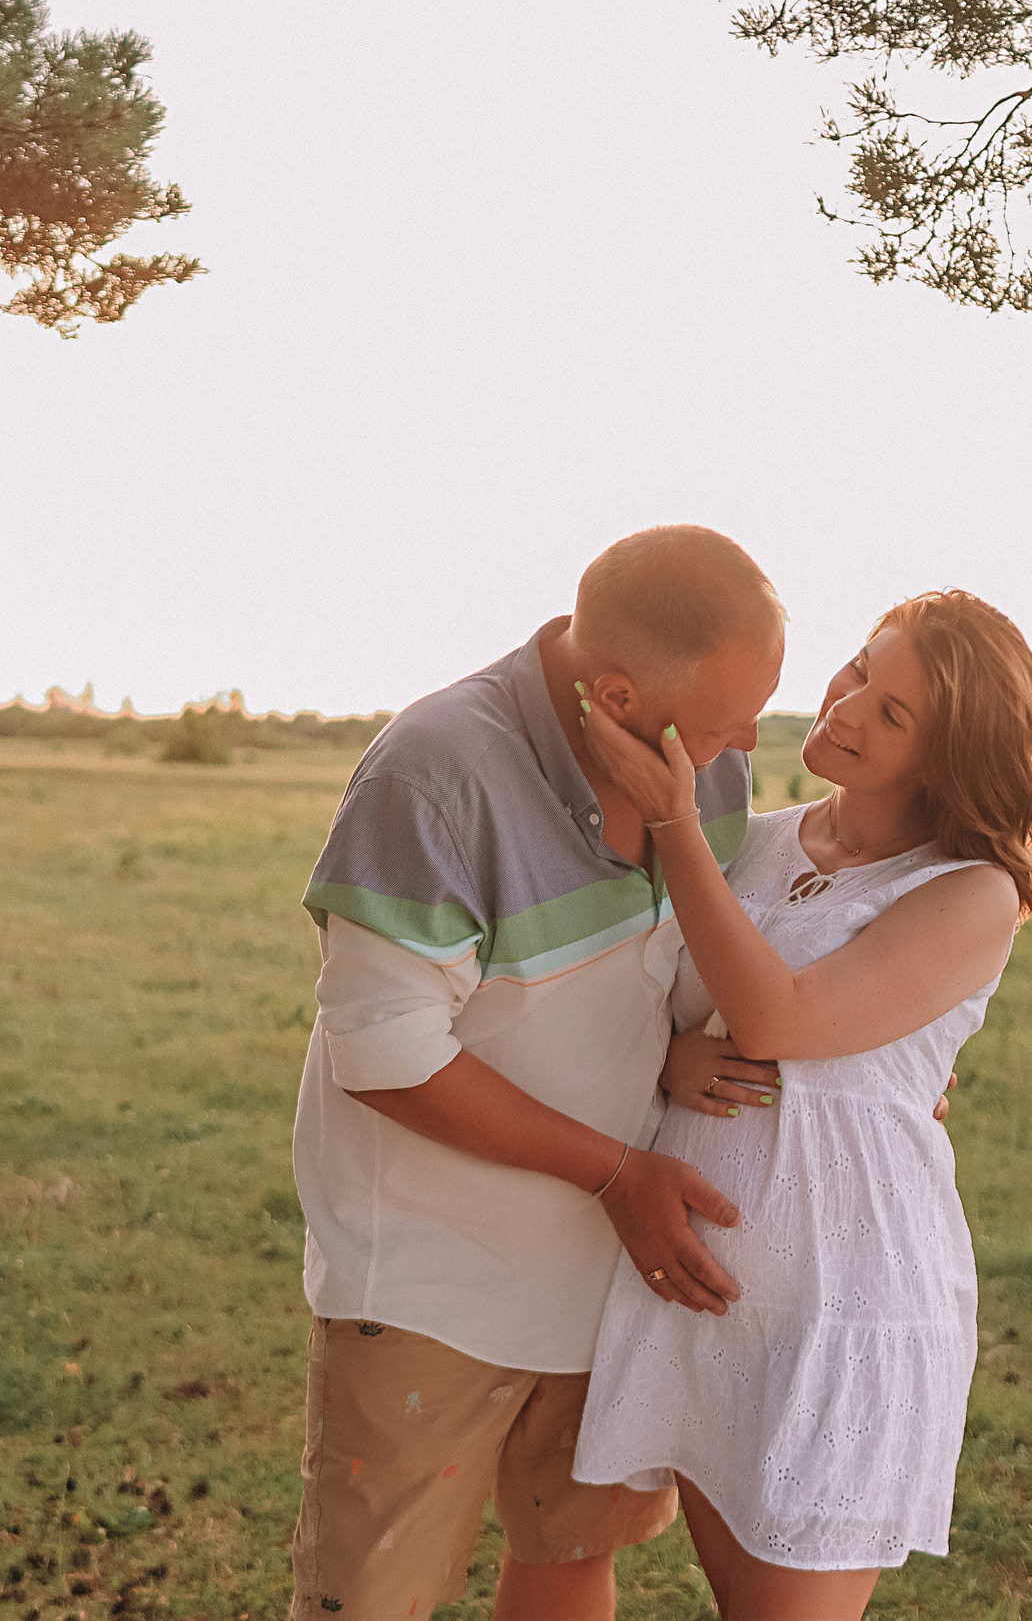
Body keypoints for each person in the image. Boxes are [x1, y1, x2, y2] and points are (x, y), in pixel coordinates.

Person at [286, 525, 784, 1621]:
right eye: (723, 719)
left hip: (609, 1273)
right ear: (614, 694)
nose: (748, 740)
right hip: (434, 1287)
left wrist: (864, 1072)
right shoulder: (431, 775)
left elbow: (674, 957)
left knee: (570, 1557)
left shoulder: (705, 763)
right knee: (368, 1603)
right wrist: (615, 1174)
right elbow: (385, 1055)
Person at [570, 590, 1032, 1620]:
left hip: (844, 1313)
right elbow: (656, 996)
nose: (843, 711)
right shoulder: (753, 840)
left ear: (950, 755)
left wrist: (671, 820)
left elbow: (777, 1019)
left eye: (894, 714)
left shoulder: (971, 892)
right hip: (704, 1297)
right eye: (857, 674)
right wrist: (660, 1059)